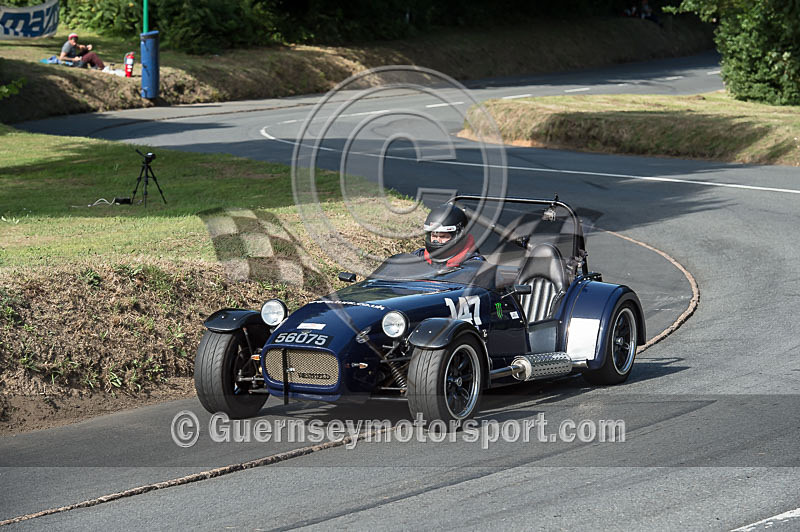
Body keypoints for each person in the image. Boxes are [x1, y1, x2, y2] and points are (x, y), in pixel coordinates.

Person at [414, 204, 484, 267]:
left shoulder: (474, 265)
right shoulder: (419, 257)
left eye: (443, 236)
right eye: (434, 236)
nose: (437, 241)